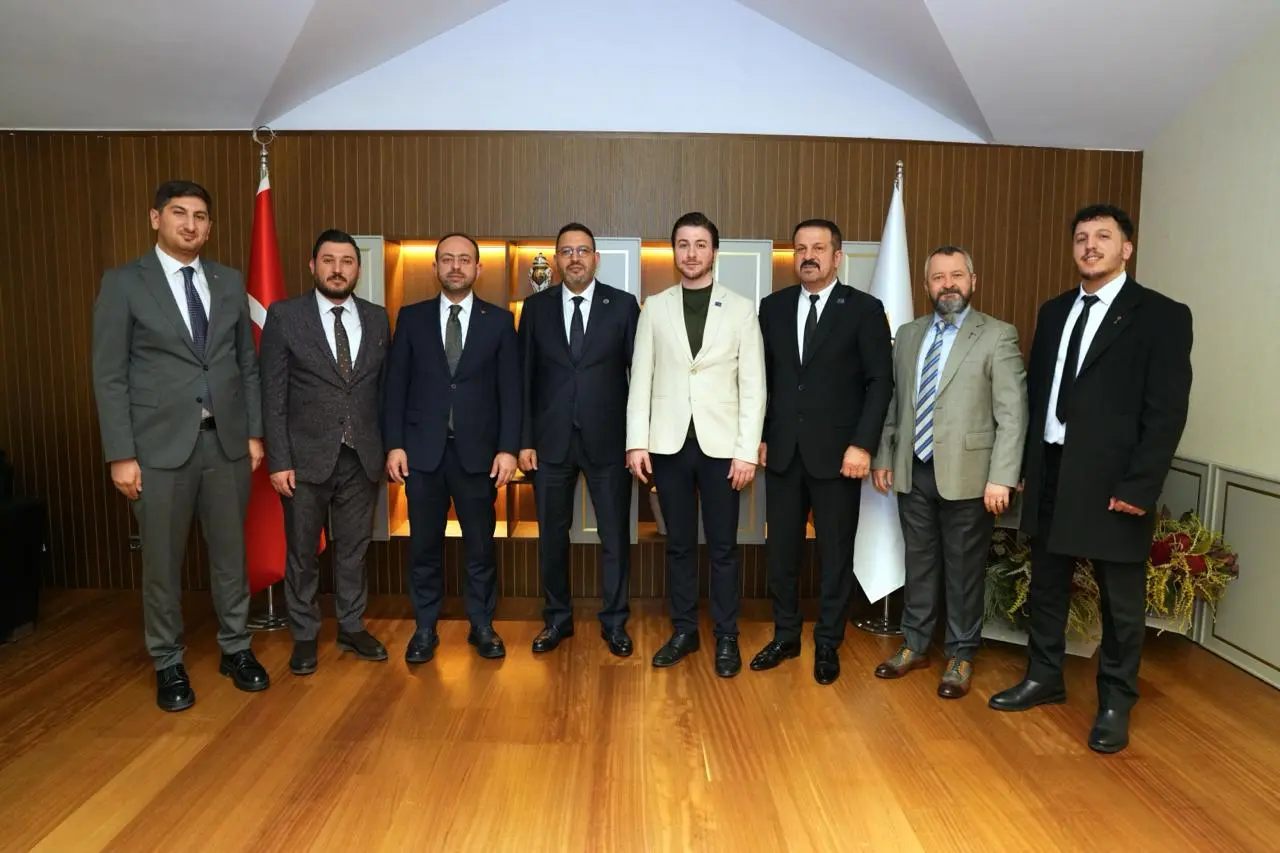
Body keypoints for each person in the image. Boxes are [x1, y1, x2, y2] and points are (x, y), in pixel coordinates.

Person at [988, 205, 1193, 754]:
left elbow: (1166, 412)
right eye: (1081, 237)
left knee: (1120, 603)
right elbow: (1037, 396)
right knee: (1047, 584)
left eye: (1104, 236)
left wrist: (1140, 486)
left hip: (1114, 483)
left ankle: (1115, 702)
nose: (1090, 246)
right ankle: (1044, 677)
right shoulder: (1054, 311)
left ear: (1127, 248)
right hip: (1051, 471)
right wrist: (1026, 467)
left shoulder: (1162, 315)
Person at [91, 179, 269, 711]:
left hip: (227, 445)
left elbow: (247, 365)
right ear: (156, 218)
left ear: (209, 227)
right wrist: (121, 454)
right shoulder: (124, 283)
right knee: (163, 563)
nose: (190, 224)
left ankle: (236, 647)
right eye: (179, 213)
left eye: (200, 216)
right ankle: (167, 660)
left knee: (230, 556)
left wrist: (253, 432)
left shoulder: (228, 281)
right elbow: (109, 374)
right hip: (157, 450)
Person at [871, 245, 1027, 698]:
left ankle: (960, 654)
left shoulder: (997, 335)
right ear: (926, 286)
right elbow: (894, 403)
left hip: (971, 476)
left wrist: (1002, 476)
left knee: (963, 569)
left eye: (956, 275)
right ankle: (915, 644)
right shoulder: (908, 334)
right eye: (938, 277)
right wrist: (884, 456)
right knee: (918, 563)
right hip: (913, 469)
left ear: (972, 281)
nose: (948, 285)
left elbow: (1013, 413)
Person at [752, 219, 894, 685]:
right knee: (782, 553)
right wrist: (760, 434)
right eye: (800, 248)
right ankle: (786, 636)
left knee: (835, 554)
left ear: (837, 257)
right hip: (782, 453)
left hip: (839, 457)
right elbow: (762, 380)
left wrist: (863, 444)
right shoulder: (772, 308)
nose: (808, 256)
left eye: (818, 248)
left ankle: (829, 642)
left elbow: (880, 382)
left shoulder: (865, 309)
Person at [625, 211, 766, 678]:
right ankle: (684, 631)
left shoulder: (741, 308)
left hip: (723, 450)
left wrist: (746, 450)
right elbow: (640, 378)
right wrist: (636, 442)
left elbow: (754, 385)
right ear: (674, 252)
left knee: (723, 547)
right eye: (683, 244)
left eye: (700, 244)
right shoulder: (655, 307)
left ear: (714, 252)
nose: (691, 253)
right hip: (668, 446)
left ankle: (726, 636)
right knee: (679, 545)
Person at [259, 229, 392, 675]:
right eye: (329, 260)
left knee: (354, 550)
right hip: (303, 459)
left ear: (358, 268)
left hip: (362, 456)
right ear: (312, 265)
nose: (338, 269)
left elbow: (383, 390)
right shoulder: (285, 316)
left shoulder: (377, 318)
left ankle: (352, 626)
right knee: (302, 553)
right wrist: (279, 460)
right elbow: (273, 394)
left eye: (347, 261)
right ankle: (304, 634)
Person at [383, 232, 521, 662]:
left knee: (480, 546)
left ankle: (482, 625)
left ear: (479, 268)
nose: (455, 266)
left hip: (479, 457)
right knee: (424, 546)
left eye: (464, 260)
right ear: (435, 267)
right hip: (422, 455)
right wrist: (394, 445)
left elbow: (511, 391)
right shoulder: (411, 318)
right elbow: (395, 387)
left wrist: (508, 449)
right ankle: (425, 628)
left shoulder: (500, 322)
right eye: (447, 259)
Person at [518, 223, 639, 657]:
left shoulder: (622, 306)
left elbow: (640, 377)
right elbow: (523, 378)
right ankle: (557, 619)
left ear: (596, 259)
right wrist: (524, 440)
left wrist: (636, 440)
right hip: (549, 443)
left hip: (610, 442)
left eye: (583, 251)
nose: (575, 258)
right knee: (552, 536)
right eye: (566, 251)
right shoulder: (535, 308)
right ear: (556, 260)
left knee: (615, 536)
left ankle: (615, 622)